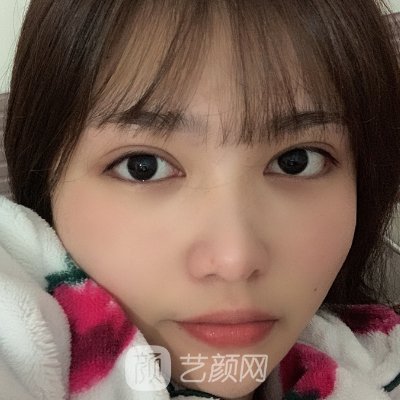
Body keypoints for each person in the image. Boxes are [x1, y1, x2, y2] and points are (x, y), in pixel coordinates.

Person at [1, 0, 400, 399]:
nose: (234, 261)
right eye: (143, 167)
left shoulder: (375, 358)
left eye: (296, 162)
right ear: (45, 181)